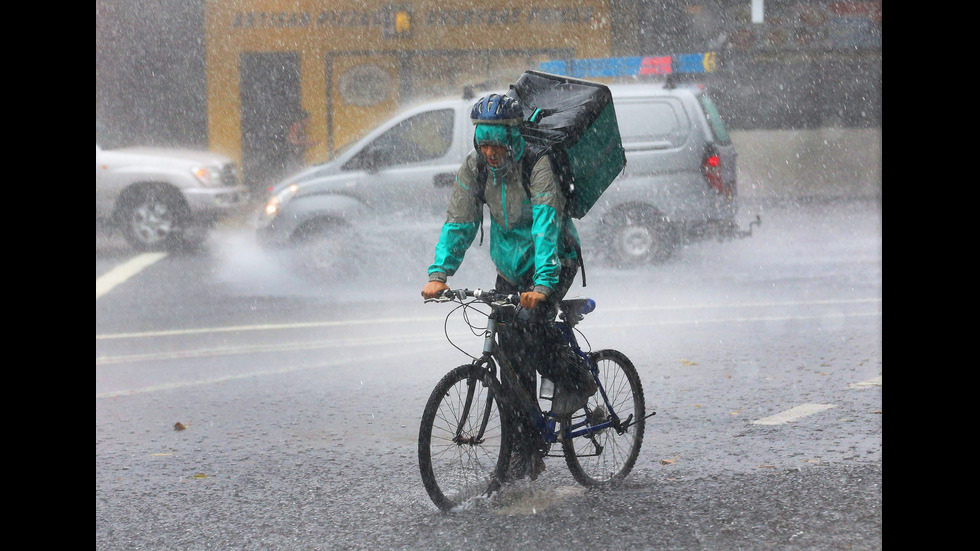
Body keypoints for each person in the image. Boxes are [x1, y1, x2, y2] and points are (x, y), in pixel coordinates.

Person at [421, 93, 597, 481]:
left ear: (512, 140)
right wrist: (439, 274)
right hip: (511, 266)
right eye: (483, 144)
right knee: (510, 356)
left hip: (554, 259)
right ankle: (527, 447)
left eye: (497, 144)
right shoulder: (476, 167)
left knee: (530, 329)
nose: (491, 153)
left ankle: (578, 381)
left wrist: (545, 283)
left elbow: (547, 222)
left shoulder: (537, 163)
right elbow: (459, 222)